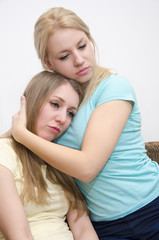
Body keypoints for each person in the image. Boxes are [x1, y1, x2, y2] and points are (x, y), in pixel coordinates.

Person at [4, 7, 159, 240]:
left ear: (90, 40)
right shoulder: (58, 104)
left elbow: (87, 167)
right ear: (48, 63)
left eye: (82, 45)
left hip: (150, 207)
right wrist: (18, 133)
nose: (79, 60)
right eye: (64, 56)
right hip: (104, 226)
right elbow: (17, 133)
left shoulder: (113, 87)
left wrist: (23, 135)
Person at [0, 70, 99, 240]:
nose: (62, 118)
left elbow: (83, 229)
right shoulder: (5, 153)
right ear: (30, 101)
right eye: (55, 104)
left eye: (70, 113)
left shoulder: (60, 158)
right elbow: (19, 235)